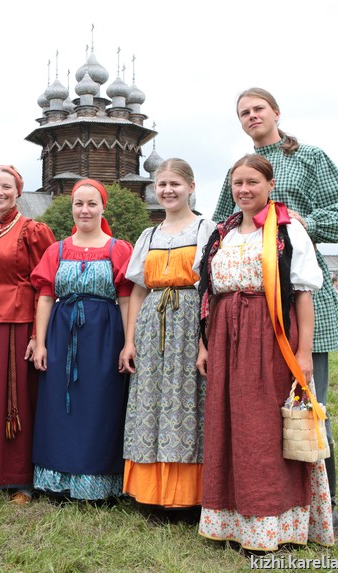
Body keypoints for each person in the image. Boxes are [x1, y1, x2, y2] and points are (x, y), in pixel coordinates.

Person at [213, 88, 338, 525]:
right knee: (256, 410)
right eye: (244, 112)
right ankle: (263, 499)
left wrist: (298, 223)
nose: (252, 116)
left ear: (276, 112)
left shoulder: (309, 158)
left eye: (258, 108)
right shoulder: (240, 171)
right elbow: (222, 224)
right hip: (249, 304)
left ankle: (322, 505)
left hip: (300, 295)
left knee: (307, 406)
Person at [197, 154, 333, 551]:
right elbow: (207, 293)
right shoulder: (221, 233)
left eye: (252, 182)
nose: (244, 190)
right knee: (227, 425)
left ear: (270, 185)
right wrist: (204, 344)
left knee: (264, 429)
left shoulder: (286, 230)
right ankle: (229, 518)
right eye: (237, 183)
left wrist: (303, 353)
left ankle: (272, 522)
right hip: (224, 337)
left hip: (270, 337)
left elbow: (303, 294)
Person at [119, 159, 215, 518]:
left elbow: (211, 288)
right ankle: (151, 493)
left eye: (175, 184)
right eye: (162, 185)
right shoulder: (148, 236)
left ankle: (189, 496)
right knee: (150, 401)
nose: (168, 190)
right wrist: (130, 341)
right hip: (151, 326)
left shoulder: (206, 229)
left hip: (190, 322)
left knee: (187, 402)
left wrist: (205, 341)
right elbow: (138, 291)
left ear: (191, 187)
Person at [31, 179, 133, 501]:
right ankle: (58, 479)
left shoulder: (118, 249)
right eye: (79, 204)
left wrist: (128, 343)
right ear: (71, 208)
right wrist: (41, 342)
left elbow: (127, 299)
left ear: (103, 207)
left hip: (104, 336)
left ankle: (99, 483)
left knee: (100, 404)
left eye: (91, 204)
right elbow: (45, 297)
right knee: (59, 406)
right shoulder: (56, 250)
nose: (84, 210)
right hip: (62, 334)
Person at [0, 165, 55, 504]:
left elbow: (46, 285)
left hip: (17, 323)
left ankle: (21, 478)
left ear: (18, 191)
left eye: (6, 187)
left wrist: (36, 334)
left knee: (15, 400)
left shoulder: (32, 231)